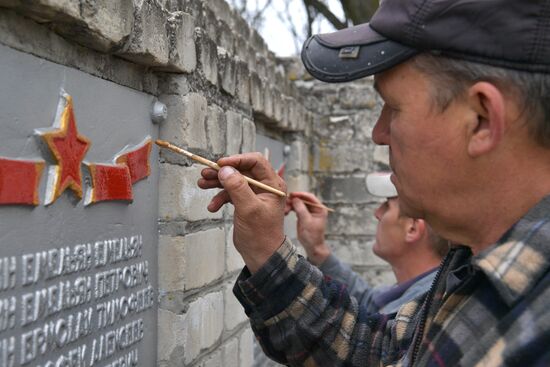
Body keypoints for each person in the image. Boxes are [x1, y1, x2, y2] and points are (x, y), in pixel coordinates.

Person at [198, 0, 550, 365]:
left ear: (481, 119)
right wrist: (266, 249)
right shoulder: (474, 271)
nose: (378, 133)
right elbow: (380, 352)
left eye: (394, 108)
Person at [286, 172, 448, 314]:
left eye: (386, 206)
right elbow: (367, 303)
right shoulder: (416, 293)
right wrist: (316, 248)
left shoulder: (418, 313)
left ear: (412, 228)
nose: (377, 213)